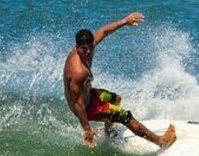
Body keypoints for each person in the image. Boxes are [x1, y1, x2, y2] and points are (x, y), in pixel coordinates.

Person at [63, 12, 176, 149]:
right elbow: (78, 105)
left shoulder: (88, 45)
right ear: (77, 47)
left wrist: (125, 21)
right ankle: (161, 142)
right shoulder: (78, 71)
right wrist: (87, 129)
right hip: (86, 108)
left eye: (90, 47)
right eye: (84, 49)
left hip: (89, 96)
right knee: (123, 116)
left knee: (116, 99)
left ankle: (109, 133)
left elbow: (104, 31)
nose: (88, 52)